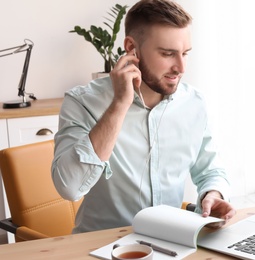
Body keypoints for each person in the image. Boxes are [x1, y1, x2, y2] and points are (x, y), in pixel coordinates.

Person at [51, 0, 235, 233]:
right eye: (168, 54)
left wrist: (213, 194)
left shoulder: (194, 104)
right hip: (101, 246)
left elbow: (211, 170)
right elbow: (70, 187)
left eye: (185, 53)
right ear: (131, 49)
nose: (181, 67)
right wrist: (120, 104)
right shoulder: (82, 102)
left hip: (170, 242)